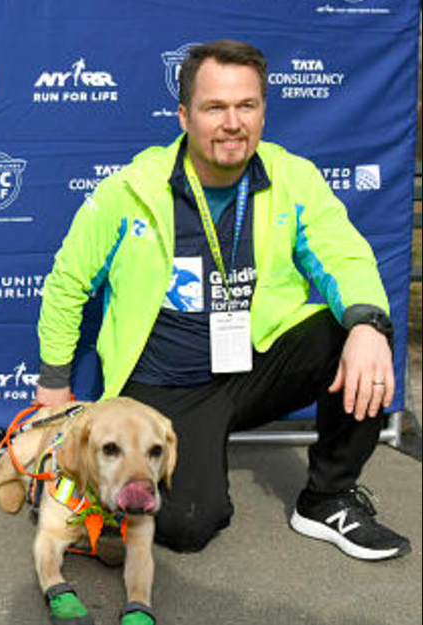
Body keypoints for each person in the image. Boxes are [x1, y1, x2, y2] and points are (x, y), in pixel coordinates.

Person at [35, 40, 409, 560]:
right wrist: (54, 384)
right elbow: (67, 281)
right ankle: (116, 493)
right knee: (188, 527)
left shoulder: (292, 178)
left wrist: (368, 325)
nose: (232, 123)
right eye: (215, 107)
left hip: (253, 366)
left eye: (246, 106)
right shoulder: (130, 190)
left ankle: (327, 498)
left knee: (363, 334)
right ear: (185, 115)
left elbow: (345, 257)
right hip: (168, 387)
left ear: (262, 111)